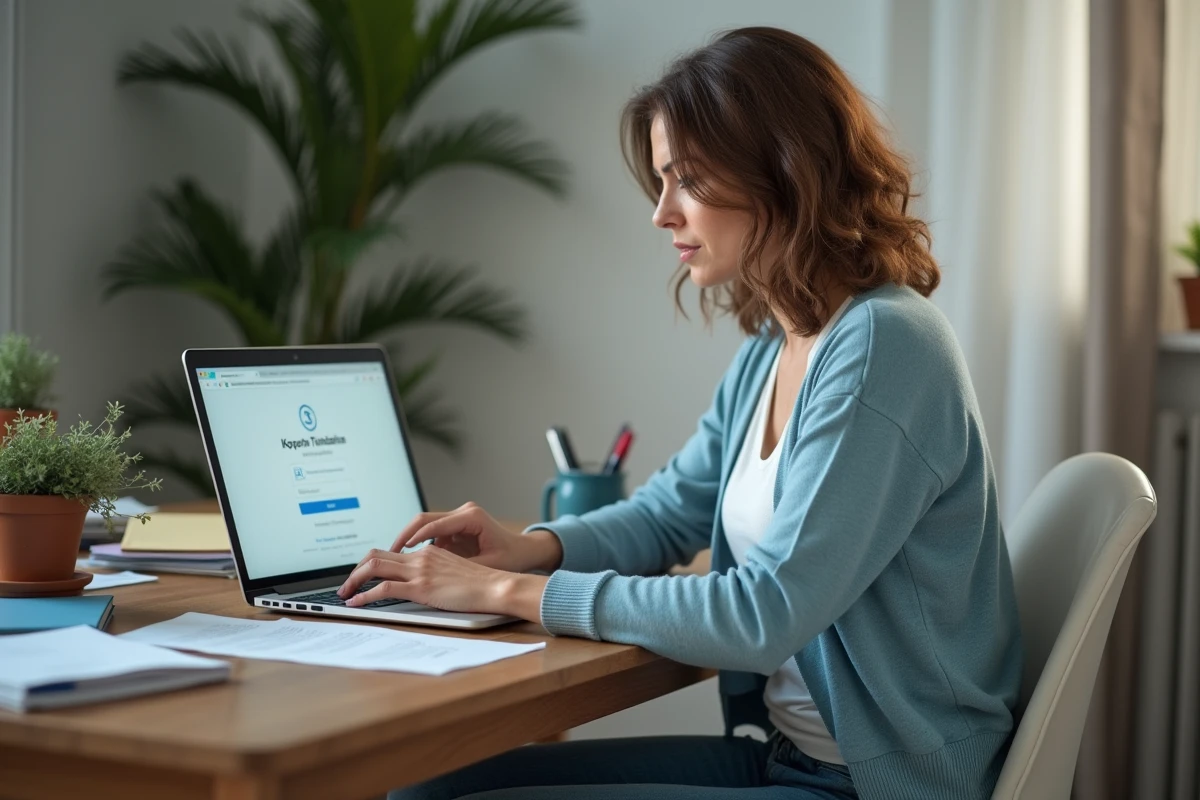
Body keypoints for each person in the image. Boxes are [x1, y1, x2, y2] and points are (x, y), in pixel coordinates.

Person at [342, 26, 1023, 800]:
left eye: (687, 179)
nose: (662, 213)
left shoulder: (885, 346)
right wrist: (524, 550)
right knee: (424, 790)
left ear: (785, 171)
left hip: (879, 784)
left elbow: (765, 610)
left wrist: (499, 594)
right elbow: (669, 515)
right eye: (661, 182)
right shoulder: (776, 349)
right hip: (790, 759)